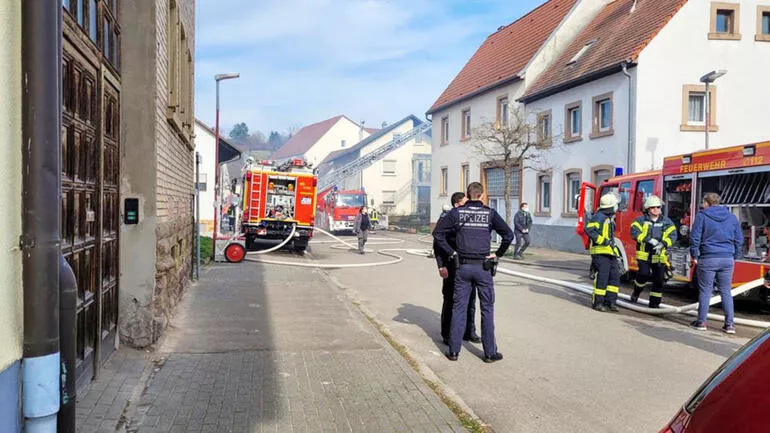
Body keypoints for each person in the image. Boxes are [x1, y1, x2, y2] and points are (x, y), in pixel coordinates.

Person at [433, 182, 514, 363]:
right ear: (482, 195)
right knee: (487, 309)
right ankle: (489, 353)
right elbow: (508, 235)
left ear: (468, 195)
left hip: (462, 267)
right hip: (484, 267)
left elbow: (438, 234)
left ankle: (453, 352)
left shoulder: (456, 213)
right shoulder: (490, 213)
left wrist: (452, 253)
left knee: (459, 308)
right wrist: (497, 254)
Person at [689, 193, 743, 334]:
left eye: (703, 202)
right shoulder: (731, 217)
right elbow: (739, 239)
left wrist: (695, 255)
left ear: (707, 203)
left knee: (706, 290)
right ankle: (729, 324)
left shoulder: (702, 216)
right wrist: (734, 256)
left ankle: (701, 322)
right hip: (727, 259)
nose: (702, 205)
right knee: (726, 291)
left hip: (708, 257)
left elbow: (694, 237)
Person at [433, 192, 480, 346]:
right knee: (450, 299)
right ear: (456, 204)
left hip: (467, 265)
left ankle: (469, 331)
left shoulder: (468, 218)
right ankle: (447, 334)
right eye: (464, 203)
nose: (468, 206)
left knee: (471, 300)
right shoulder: (447, 218)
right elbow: (438, 243)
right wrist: (441, 265)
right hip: (451, 264)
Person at [630, 195, 677, 308]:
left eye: (658, 207)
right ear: (647, 209)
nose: (656, 209)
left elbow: (673, 235)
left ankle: (654, 304)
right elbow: (634, 233)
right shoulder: (640, 221)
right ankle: (636, 292)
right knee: (643, 274)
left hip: (659, 255)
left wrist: (663, 243)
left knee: (659, 280)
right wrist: (649, 240)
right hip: (644, 254)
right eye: (653, 207)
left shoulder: (667, 222)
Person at [585, 194, 622, 312]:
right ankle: (598, 303)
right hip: (600, 252)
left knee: (614, 277)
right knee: (602, 277)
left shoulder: (609, 217)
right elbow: (589, 229)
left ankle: (610, 302)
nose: (617, 207)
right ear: (610, 206)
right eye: (615, 205)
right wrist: (603, 241)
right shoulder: (599, 217)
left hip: (610, 252)